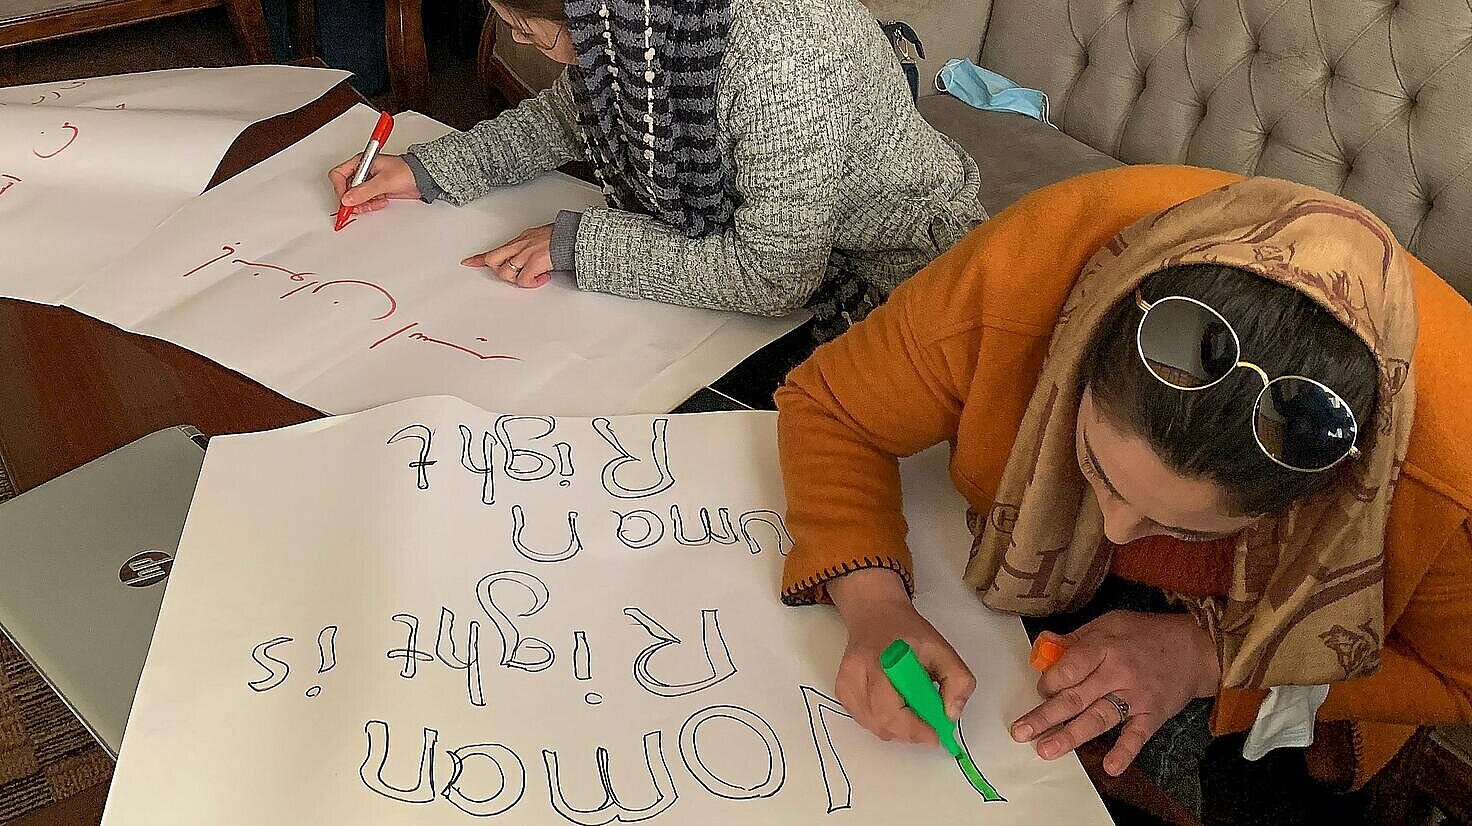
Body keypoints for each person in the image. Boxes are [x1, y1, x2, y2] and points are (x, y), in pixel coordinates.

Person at [775, 165, 1472, 823]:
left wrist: (1203, 656)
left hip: (1280, 649)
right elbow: (830, 407)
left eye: (1193, 528)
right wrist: (874, 606)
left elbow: (1457, 677)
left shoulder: (1447, 475)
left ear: (1314, 508)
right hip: (1025, 548)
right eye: (1096, 470)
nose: (1111, 530)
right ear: (1077, 357)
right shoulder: (1019, 275)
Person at [327, 0, 984, 340]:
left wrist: (578, 243)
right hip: (761, 248)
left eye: (534, 31)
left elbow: (776, 274)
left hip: (889, 278)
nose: (522, 43)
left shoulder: (784, 57)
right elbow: (572, 111)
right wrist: (435, 168)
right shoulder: (651, 23)